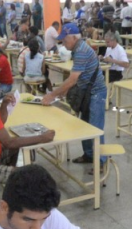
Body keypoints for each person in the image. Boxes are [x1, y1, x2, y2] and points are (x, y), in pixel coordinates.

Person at [42, 24, 106, 168]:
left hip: (96, 93)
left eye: (65, 40)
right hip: (86, 92)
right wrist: (62, 91)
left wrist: (52, 95)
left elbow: (72, 79)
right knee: (84, 125)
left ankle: (100, 162)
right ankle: (89, 155)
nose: (63, 43)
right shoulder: (77, 49)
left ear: (74, 38)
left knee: (95, 128)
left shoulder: (81, 50)